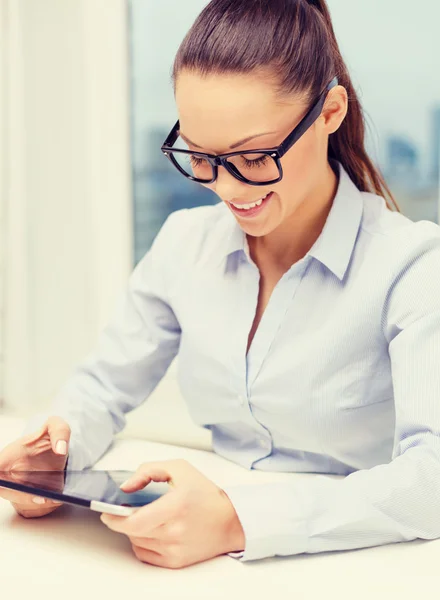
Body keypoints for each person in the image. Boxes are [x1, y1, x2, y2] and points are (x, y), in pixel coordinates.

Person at [1, 0, 440, 569]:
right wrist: (55, 455)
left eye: (254, 158)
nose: (228, 189)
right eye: (202, 157)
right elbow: (103, 387)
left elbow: (430, 480)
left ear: (330, 112)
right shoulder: (185, 244)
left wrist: (238, 521)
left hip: (361, 561)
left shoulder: (411, 265)